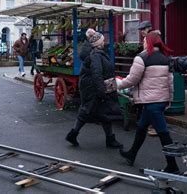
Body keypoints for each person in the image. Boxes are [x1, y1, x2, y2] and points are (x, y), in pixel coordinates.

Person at [116, 31, 179, 173]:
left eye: (144, 40)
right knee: (141, 127)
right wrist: (169, 98)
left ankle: (173, 166)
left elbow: (132, 79)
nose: (143, 42)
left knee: (163, 133)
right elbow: (170, 82)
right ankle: (132, 154)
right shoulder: (165, 58)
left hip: (150, 102)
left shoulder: (142, 58)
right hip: (160, 100)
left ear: (148, 42)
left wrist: (118, 85)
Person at [65, 29, 122, 149]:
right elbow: (97, 74)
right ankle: (73, 134)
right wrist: (102, 91)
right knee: (88, 111)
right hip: (94, 88)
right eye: (103, 40)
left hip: (94, 87)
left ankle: (109, 139)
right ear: (99, 43)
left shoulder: (96, 53)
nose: (104, 42)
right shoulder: (96, 55)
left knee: (103, 112)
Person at [137, 20, 158, 136]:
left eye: (142, 29)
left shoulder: (149, 39)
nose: (141, 32)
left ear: (148, 28)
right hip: (154, 71)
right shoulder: (155, 37)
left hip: (150, 71)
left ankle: (152, 126)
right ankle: (148, 125)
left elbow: (147, 53)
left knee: (150, 102)